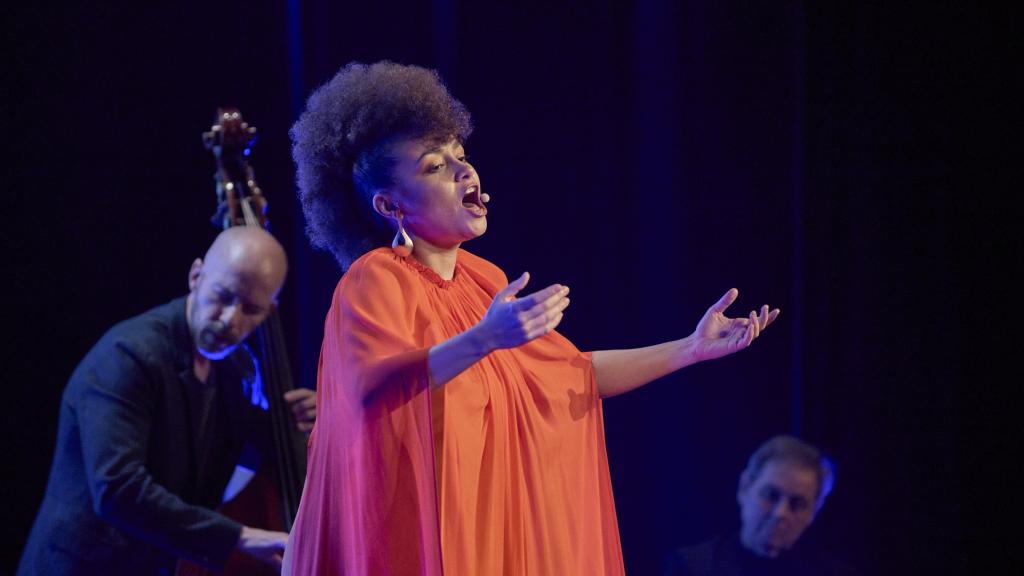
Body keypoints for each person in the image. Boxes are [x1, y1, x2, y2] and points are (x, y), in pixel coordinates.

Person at [283, 61, 780, 575]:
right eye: (435, 166)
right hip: (414, 542)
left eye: (461, 156)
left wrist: (690, 348)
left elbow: (571, 376)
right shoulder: (377, 277)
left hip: (485, 539)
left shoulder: (485, 282)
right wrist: (486, 338)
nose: (464, 171)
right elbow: (371, 386)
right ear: (390, 205)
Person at [18, 227, 317, 576]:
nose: (229, 320)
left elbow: (251, 438)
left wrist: (303, 418)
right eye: (222, 296)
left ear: (269, 311)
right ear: (195, 276)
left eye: (250, 309)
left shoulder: (233, 369)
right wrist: (240, 537)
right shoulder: (129, 355)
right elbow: (118, 489)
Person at [664, 435, 858, 576]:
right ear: (744, 488)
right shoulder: (693, 567)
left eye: (797, 504)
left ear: (814, 511)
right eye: (771, 496)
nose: (781, 513)